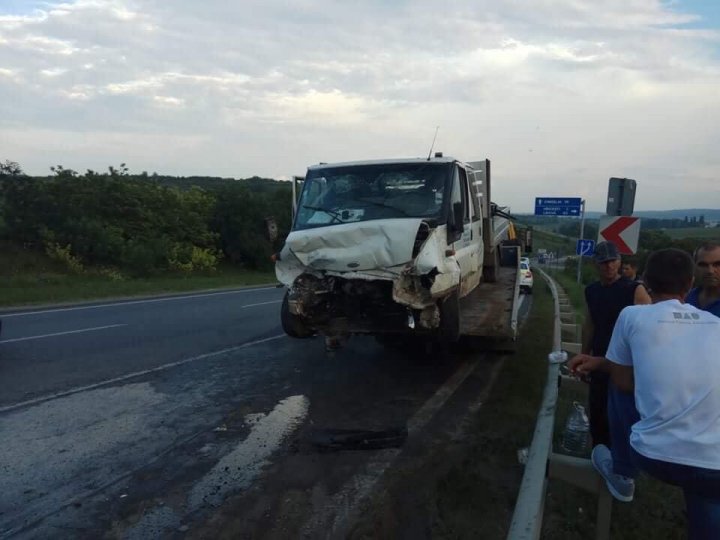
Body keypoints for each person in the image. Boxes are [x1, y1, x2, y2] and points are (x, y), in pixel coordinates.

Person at [574, 248, 720, 539]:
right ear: (690, 283)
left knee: (618, 381)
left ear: (646, 283)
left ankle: (622, 470)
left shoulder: (632, 315)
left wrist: (605, 365)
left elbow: (623, 380)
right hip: (714, 463)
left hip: (653, 455)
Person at [580, 241, 651, 455]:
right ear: (596, 264)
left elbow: (649, 330)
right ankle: (599, 458)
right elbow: (590, 323)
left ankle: (622, 467)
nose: (609, 266)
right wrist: (584, 355)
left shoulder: (634, 289)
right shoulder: (591, 291)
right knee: (598, 413)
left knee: (623, 416)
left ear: (619, 262)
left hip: (627, 364)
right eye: (604, 263)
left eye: (613, 261)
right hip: (600, 358)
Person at [685, 242, 720, 317]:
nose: (710, 271)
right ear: (694, 267)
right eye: (703, 265)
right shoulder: (687, 299)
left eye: (717, 264)